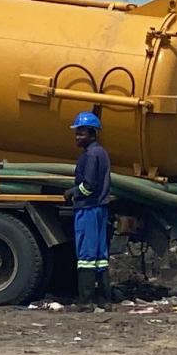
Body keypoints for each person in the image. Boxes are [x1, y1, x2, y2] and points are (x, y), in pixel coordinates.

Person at [62, 111, 112, 310]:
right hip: (100, 208)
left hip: (88, 209)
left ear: (92, 134)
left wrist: (72, 193)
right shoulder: (102, 153)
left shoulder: (90, 156)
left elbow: (88, 186)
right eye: (77, 133)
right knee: (100, 256)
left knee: (86, 257)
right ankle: (104, 299)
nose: (77, 137)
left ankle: (86, 301)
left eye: (81, 133)